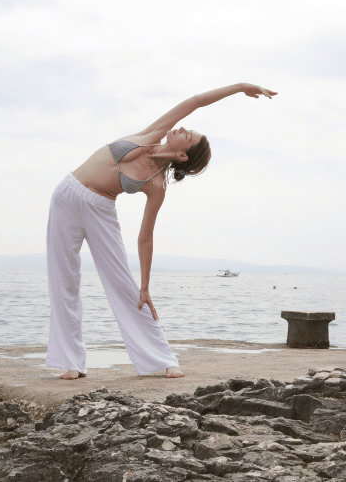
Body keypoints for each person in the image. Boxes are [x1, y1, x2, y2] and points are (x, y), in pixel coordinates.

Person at [45, 83, 277, 380]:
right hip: (66, 195)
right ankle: (71, 362)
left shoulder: (156, 185)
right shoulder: (152, 134)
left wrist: (146, 284)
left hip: (100, 209)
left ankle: (160, 359)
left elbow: (145, 237)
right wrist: (241, 87)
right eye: (186, 129)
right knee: (63, 280)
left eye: (188, 135)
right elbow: (195, 101)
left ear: (183, 156)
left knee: (125, 286)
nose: (182, 129)